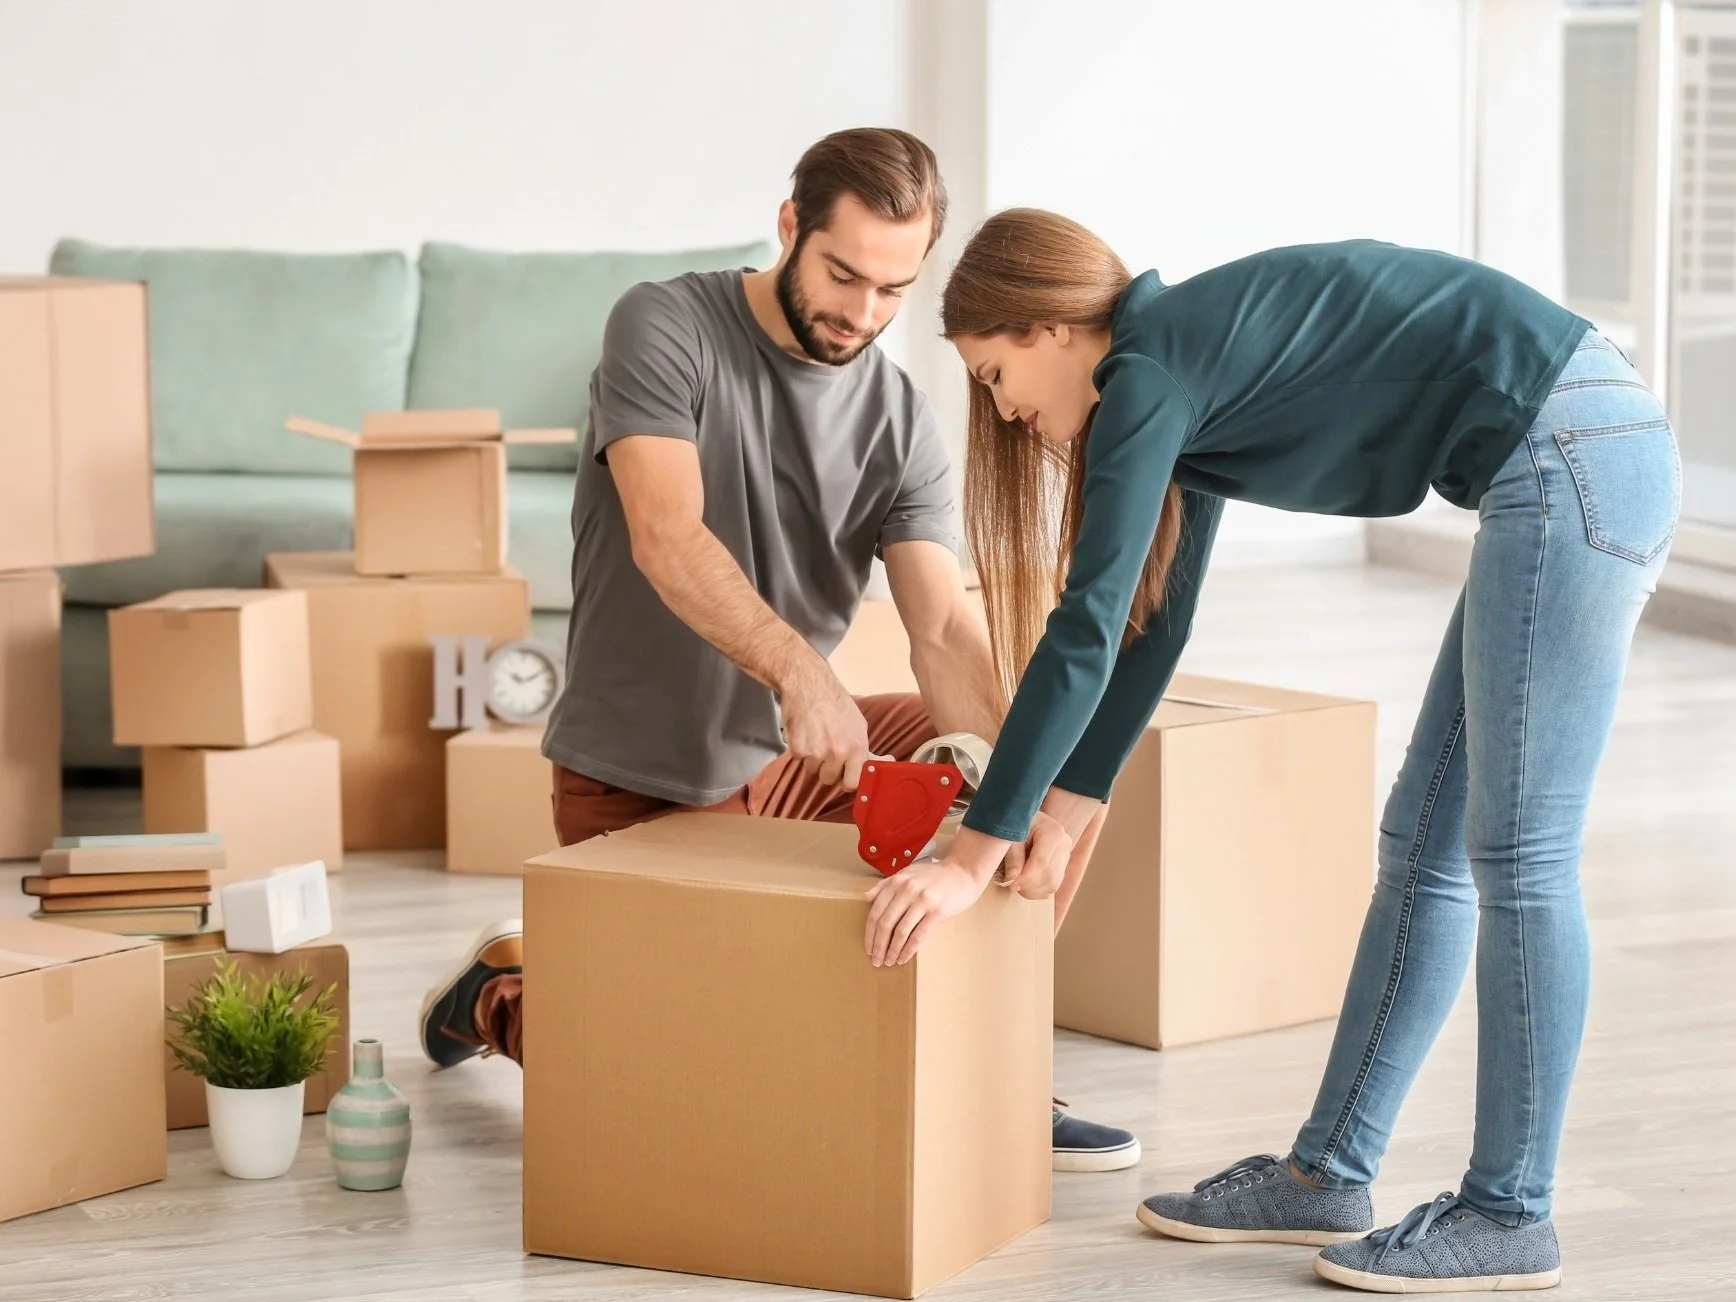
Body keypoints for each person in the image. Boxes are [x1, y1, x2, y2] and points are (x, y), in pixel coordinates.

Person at [863, 208, 1679, 1292]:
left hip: (1572, 449)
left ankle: (1507, 1213)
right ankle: (1324, 1177)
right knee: (1419, 847)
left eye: (993, 372)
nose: (1003, 412)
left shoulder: (1148, 372)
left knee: (1518, 855)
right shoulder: (1177, 376)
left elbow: (1086, 622)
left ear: (1050, 329)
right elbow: (1152, 625)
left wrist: (972, 849)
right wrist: (1064, 807)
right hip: (1560, 453)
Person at [416, 132, 1141, 1173]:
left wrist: (1012, 794)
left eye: (893, 289)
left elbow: (939, 626)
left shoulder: (896, 417)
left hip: (801, 765)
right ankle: (501, 993)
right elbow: (666, 535)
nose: (862, 312)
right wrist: (801, 671)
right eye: (842, 274)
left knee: (1045, 766)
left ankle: (991, 1065)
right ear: (790, 225)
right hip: (645, 782)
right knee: (703, 1100)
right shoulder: (662, 325)